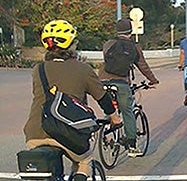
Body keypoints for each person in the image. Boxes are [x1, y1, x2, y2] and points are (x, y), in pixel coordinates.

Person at [24, 20, 121, 181]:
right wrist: (114, 117)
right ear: (71, 45)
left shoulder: (38, 69)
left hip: (35, 132)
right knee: (84, 160)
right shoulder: (83, 69)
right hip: (68, 132)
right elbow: (102, 97)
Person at [99, 18, 159, 157]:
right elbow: (142, 66)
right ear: (130, 32)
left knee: (110, 107)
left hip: (102, 82)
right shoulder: (134, 47)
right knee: (127, 111)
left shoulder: (108, 44)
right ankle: (132, 146)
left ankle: (106, 129)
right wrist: (153, 80)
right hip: (121, 83)